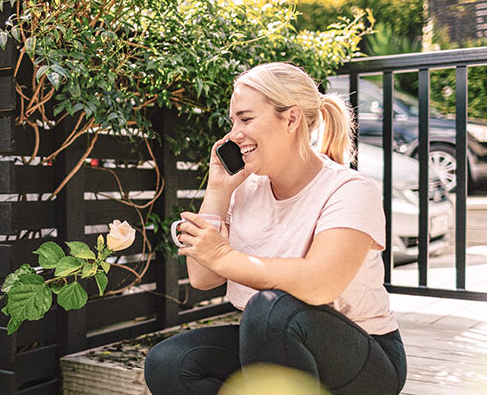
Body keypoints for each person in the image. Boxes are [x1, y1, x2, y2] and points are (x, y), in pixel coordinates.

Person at [144, 62, 407, 395]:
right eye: (233, 122)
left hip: (363, 360)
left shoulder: (350, 190)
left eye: (246, 119)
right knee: (169, 362)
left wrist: (223, 255)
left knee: (269, 310)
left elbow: (318, 284)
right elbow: (203, 277)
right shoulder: (245, 189)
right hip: (275, 344)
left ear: (291, 119)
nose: (234, 134)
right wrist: (218, 190)